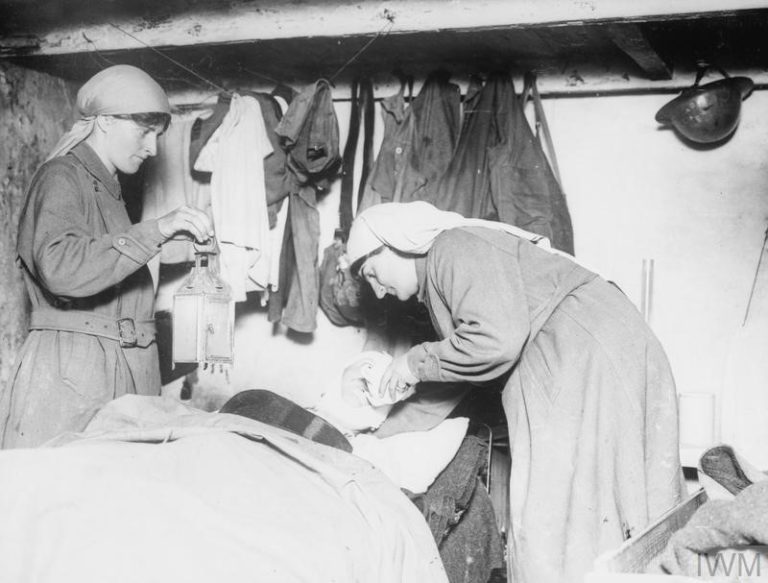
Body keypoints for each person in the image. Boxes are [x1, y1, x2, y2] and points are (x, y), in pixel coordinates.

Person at [345, 200, 684, 583]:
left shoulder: (452, 247)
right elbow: (458, 376)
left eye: (372, 272)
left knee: (555, 521)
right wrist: (380, 432)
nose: (377, 289)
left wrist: (414, 361)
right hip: (607, 346)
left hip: (582, 352)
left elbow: (493, 343)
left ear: (394, 244)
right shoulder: (447, 276)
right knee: (620, 512)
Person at [0, 65, 213, 449]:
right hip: (77, 375)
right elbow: (61, 268)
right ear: (103, 122)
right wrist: (157, 229)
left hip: (117, 368)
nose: (152, 148)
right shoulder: (62, 177)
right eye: (144, 131)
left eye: (157, 135)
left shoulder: (108, 189)